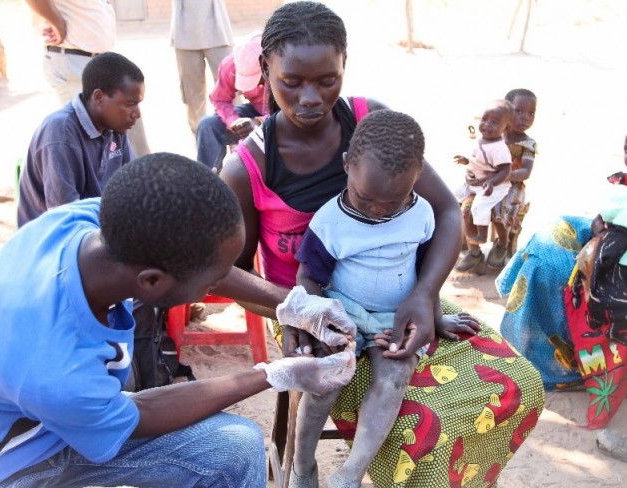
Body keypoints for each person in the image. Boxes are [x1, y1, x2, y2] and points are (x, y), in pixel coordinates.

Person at [219, 2, 544, 486]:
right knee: (420, 420)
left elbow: (446, 212)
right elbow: (230, 272)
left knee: (517, 384)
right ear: (265, 68)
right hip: (302, 310)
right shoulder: (247, 167)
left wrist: (425, 294)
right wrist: (298, 314)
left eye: (327, 80)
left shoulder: (375, 125)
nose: (310, 97)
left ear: (345, 64)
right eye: (292, 81)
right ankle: (311, 466)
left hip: (403, 296)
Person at [0, 153, 357, 487]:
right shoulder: (50, 363)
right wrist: (274, 374)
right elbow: (143, 413)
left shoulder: (80, 225)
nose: (221, 285)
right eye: (213, 278)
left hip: (48, 428)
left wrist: (293, 303)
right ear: (153, 283)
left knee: (231, 449)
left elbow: (190, 255)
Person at [291, 110, 472, 487]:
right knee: (326, 376)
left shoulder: (422, 213)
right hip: (342, 310)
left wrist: (436, 319)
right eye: (366, 197)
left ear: (417, 177)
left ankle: (350, 475)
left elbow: (426, 278)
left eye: (392, 202)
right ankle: (303, 465)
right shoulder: (330, 221)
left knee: (394, 377)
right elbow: (309, 277)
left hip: (396, 314)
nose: (378, 209)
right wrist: (320, 320)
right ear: (347, 167)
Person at [497, 133, 627, 462]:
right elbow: (602, 224)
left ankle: (565, 362)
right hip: (604, 257)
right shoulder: (618, 190)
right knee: (548, 251)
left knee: (556, 270)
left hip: (606, 269)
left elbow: (604, 240)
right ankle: (548, 357)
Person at [17, 52, 141, 227]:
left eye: (138, 103)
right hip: (56, 238)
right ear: (99, 97)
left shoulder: (115, 127)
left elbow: (133, 187)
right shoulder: (59, 134)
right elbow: (66, 217)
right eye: (130, 104)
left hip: (96, 226)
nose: (137, 113)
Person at [25, 0, 150, 157]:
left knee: (126, 137)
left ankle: (141, 179)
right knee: (94, 144)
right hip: (73, 58)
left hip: (99, 60)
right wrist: (55, 21)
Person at [460, 88, 539, 269]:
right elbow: (476, 160)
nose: (525, 117)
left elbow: (526, 171)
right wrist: (471, 172)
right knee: (466, 207)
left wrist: (500, 176)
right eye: (519, 111)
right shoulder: (492, 135)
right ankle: (474, 251)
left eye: (531, 113)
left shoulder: (528, 144)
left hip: (512, 187)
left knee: (499, 210)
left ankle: (502, 244)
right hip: (484, 183)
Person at [454, 99, 513, 272]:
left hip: (494, 187)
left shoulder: (499, 148)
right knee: (455, 196)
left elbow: (505, 170)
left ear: (505, 128)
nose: (487, 125)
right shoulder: (482, 139)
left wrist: (491, 183)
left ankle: (481, 234)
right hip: (474, 181)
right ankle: (468, 245)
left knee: (479, 207)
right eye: (485, 119)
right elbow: (476, 158)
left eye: (494, 123)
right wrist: (466, 160)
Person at [196, 34, 267, 172]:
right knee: (208, 125)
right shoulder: (230, 66)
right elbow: (220, 99)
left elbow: (290, 113)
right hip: (257, 111)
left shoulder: (284, 67)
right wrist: (233, 121)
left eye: (256, 79)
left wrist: (259, 122)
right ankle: (206, 182)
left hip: (281, 119)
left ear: (266, 66)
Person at [170, 0, 234, 137]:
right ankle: (200, 139)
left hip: (218, 29)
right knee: (192, 95)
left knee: (230, 86)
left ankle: (236, 141)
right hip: (184, 32)